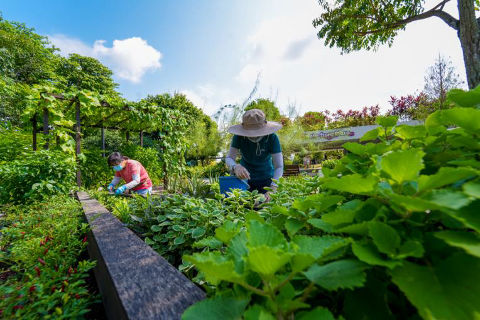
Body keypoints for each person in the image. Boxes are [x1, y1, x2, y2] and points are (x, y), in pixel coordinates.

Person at [225, 109, 284, 199]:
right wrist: (235, 167)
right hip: (244, 181)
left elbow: (279, 166)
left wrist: (273, 187)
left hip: (267, 180)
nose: (254, 135)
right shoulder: (238, 137)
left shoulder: (272, 138)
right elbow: (229, 158)